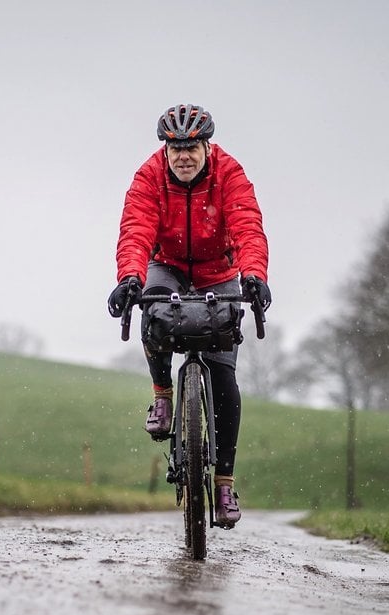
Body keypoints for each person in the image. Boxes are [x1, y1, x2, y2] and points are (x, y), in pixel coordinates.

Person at [107, 103, 271, 529]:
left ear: (206, 147)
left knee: (223, 377)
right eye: (175, 147)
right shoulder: (148, 177)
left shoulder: (229, 174)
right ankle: (163, 396)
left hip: (221, 272)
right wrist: (129, 278)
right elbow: (137, 230)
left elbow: (247, 225)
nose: (182, 155)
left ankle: (223, 483)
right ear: (165, 148)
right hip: (169, 266)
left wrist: (253, 275)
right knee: (153, 312)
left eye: (191, 147)